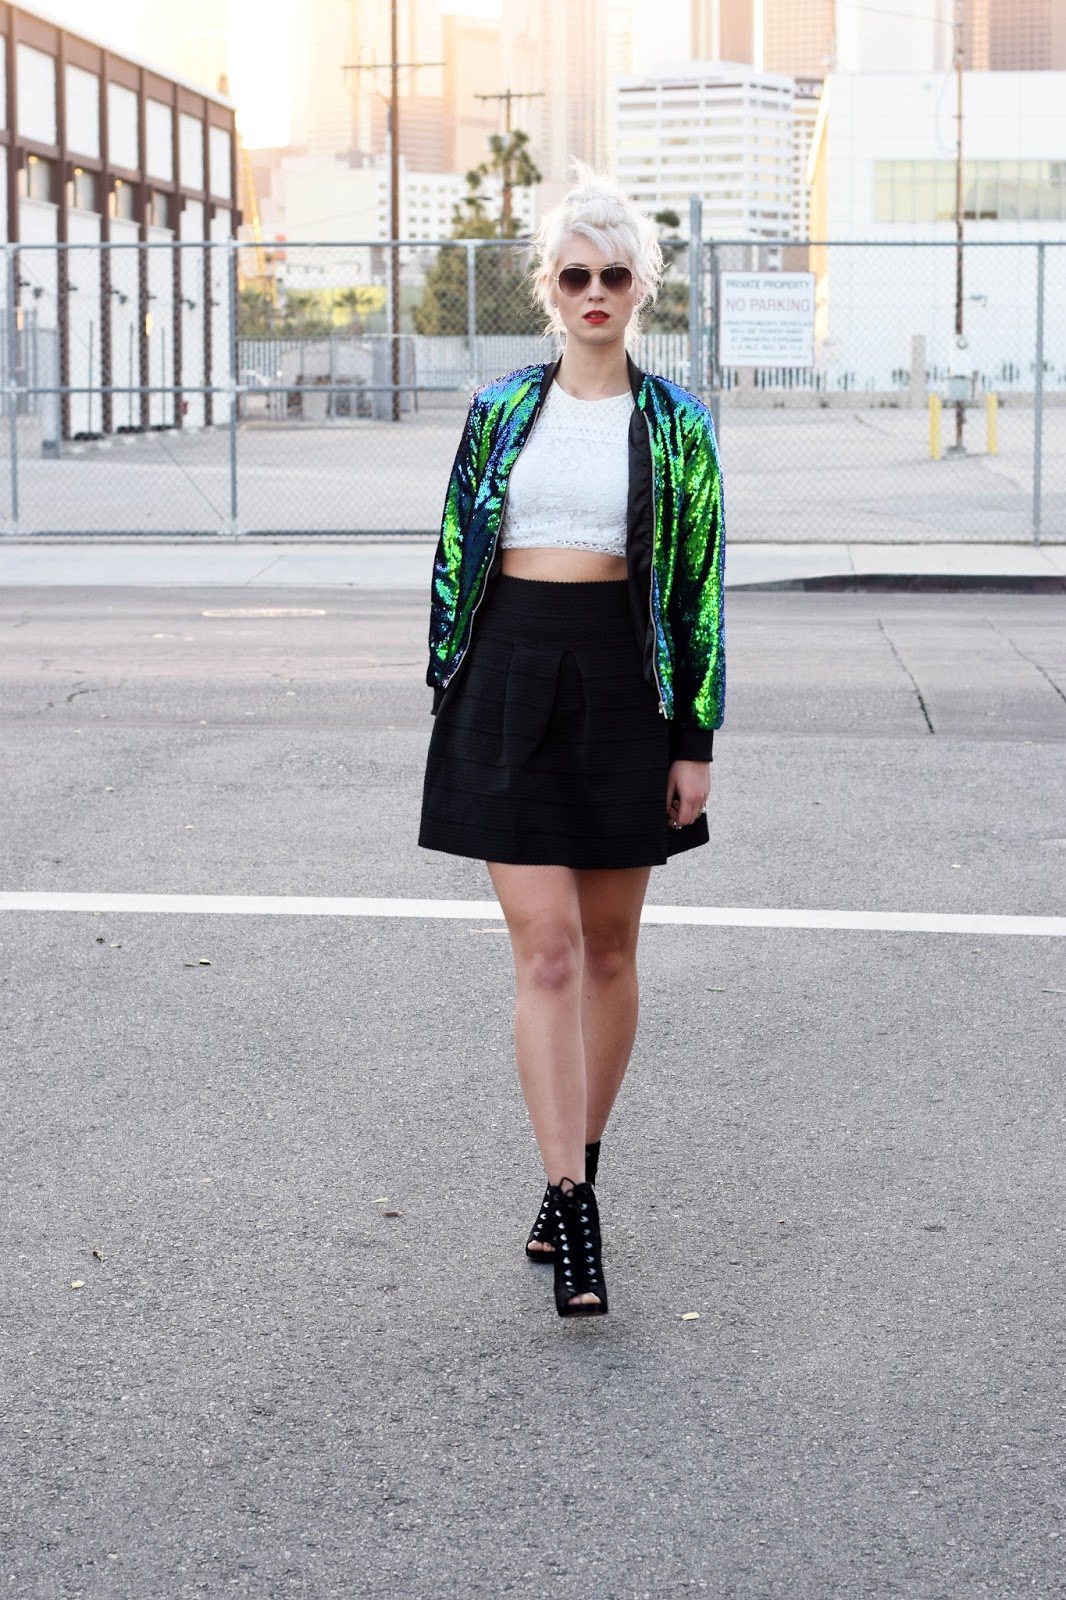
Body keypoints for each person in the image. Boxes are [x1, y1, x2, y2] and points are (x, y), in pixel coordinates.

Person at [419, 164, 725, 1319]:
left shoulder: (677, 425)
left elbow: (696, 589)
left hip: (623, 686)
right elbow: (457, 550)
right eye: (574, 275)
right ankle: (573, 1204)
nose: (594, 291)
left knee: (606, 950)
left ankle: (575, 1166)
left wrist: (693, 735)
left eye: (614, 274)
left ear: (641, 287)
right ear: (549, 289)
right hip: (508, 678)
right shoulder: (501, 409)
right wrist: (448, 680)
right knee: (543, 949)